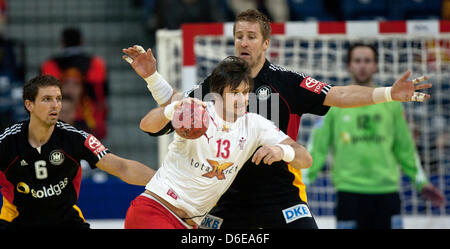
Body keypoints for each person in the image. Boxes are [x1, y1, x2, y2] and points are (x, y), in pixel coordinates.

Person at [122, 9, 432, 229]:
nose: (244, 42)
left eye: (251, 37)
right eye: (239, 36)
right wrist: (153, 78)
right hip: (226, 196)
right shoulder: (215, 83)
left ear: (266, 43)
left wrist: (388, 93)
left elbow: (337, 95)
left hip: (280, 193)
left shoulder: (286, 83)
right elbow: (181, 110)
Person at [124, 56, 312, 229]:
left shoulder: (255, 124)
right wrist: (172, 109)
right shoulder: (197, 113)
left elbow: (305, 159)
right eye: (234, 93)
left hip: (189, 225)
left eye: (245, 92)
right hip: (154, 210)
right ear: (217, 93)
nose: (242, 99)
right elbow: (146, 125)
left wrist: (283, 151)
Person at [304, 43, 445, 229]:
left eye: (368, 61)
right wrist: (302, 182)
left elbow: (405, 147)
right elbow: (317, 148)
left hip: (386, 191)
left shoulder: (392, 103)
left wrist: (421, 182)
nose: (362, 65)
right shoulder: (334, 103)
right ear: (349, 65)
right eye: (357, 60)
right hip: (349, 191)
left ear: (376, 65)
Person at [0, 75, 156, 229]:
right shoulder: (7, 141)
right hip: (17, 221)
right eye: (47, 99)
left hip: (65, 221)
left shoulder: (75, 138)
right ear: (29, 105)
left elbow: (122, 167)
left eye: (58, 99)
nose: (55, 105)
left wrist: (164, 181)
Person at [41, 27, 109, 139]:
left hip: (60, 117)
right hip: (89, 118)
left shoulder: (49, 65)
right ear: (82, 42)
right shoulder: (96, 63)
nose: (71, 88)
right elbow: (100, 95)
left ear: (62, 42)